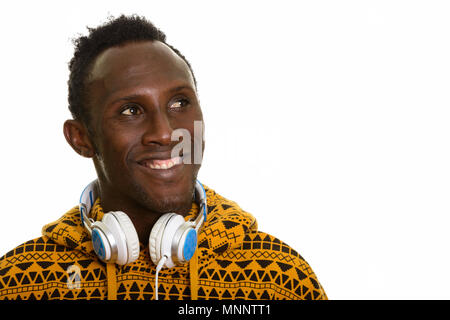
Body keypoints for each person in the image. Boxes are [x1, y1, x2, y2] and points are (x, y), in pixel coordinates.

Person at [0, 15, 327, 300]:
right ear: (81, 138)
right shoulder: (16, 281)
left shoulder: (282, 279)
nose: (165, 132)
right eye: (131, 110)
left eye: (180, 103)